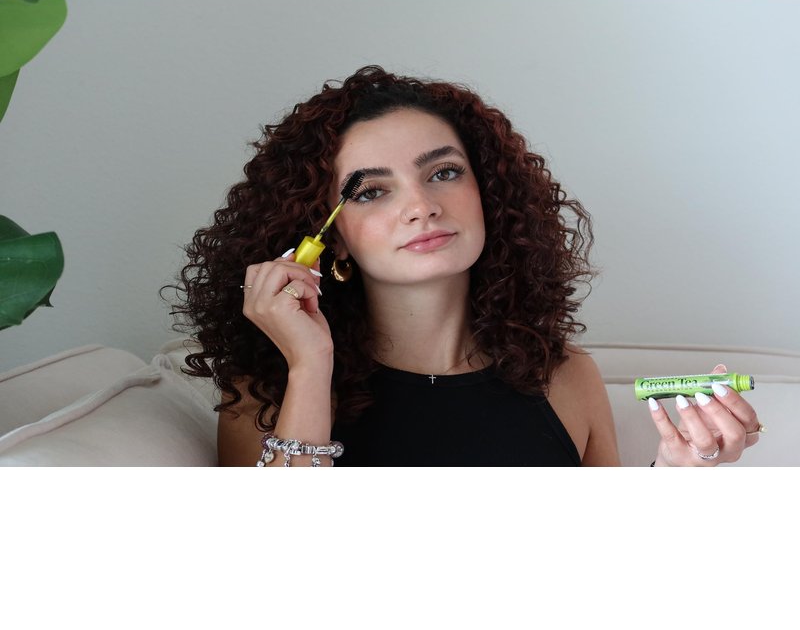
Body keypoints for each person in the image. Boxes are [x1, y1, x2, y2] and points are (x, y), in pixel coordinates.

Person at [165, 65, 763, 466]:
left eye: (444, 172)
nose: (421, 206)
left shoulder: (565, 377)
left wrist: (677, 476)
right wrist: (311, 365)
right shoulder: (265, 390)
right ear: (331, 240)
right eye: (371, 191)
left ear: (489, 196)